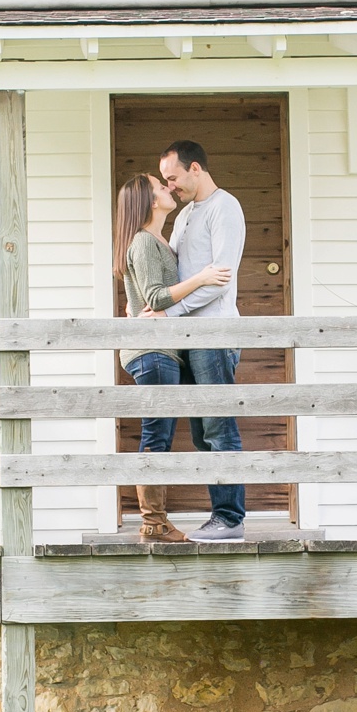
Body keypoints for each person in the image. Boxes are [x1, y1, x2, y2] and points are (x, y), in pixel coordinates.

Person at [112, 172, 233, 543]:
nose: (169, 189)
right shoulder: (145, 242)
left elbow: (142, 300)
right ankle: (153, 522)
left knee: (159, 434)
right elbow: (157, 299)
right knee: (156, 435)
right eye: (161, 186)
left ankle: (155, 520)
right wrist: (202, 278)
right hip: (152, 353)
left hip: (161, 352)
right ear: (150, 201)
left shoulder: (156, 240)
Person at [156, 140, 249, 542]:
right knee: (200, 433)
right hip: (190, 336)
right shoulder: (186, 215)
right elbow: (175, 268)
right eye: (165, 182)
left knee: (218, 428)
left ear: (195, 168)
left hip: (215, 333)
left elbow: (219, 278)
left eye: (173, 178)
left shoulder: (224, 207)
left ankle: (229, 518)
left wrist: (169, 313)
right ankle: (221, 515)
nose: (171, 187)